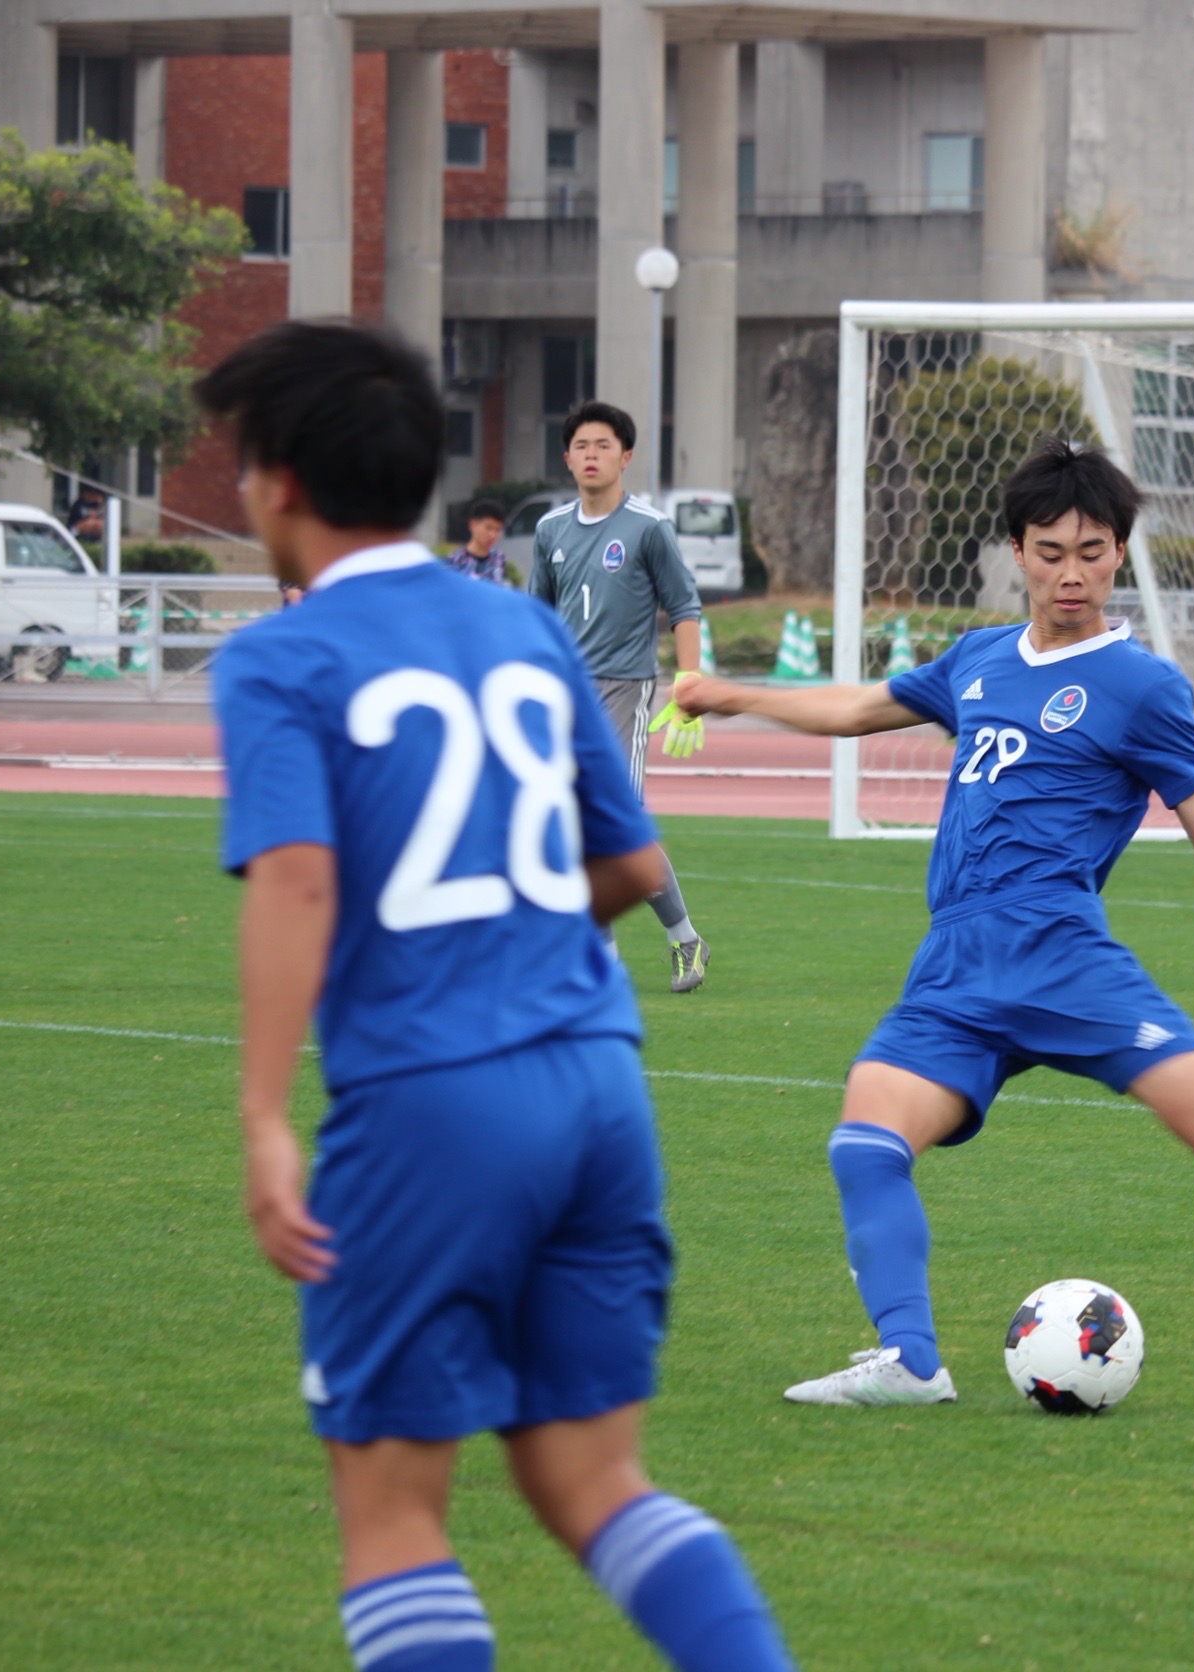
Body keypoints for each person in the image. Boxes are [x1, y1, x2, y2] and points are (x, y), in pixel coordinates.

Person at [204, 319, 794, 1671]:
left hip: (432, 1106)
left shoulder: (282, 657)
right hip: (597, 1088)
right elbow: (631, 862)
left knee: (395, 1518)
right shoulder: (522, 630)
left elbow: (296, 882)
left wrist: (264, 1120)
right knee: (596, 1484)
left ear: (280, 481)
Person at [673, 438, 1194, 1408]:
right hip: (955, 962)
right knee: (865, 1139)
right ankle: (911, 1362)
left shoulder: (1144, 686)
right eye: (1049, 552)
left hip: (1058, 952)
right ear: (1016, 552)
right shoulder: (979, 659)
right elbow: (859, 706)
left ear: (1119, 553)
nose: (1070, 573)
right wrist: (734, 694)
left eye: (1091, 551)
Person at [528, 402, 713, 995]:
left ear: (626, 456)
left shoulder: (648, 528)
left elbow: (684, 607)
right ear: (566, 457)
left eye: (603, 445)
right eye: (581, 445)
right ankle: (606, 963)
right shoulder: (550, 531)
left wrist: (689, 684)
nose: (591, 455)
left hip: (625, 690)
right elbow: (538, 618)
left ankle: (683, 938)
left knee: (614, 825)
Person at [447, 497, 511, 585]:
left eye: (498, 530)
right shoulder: (455, 561)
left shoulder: (499, 558)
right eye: (488, 528)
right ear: (472, 525)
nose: (493, 535)